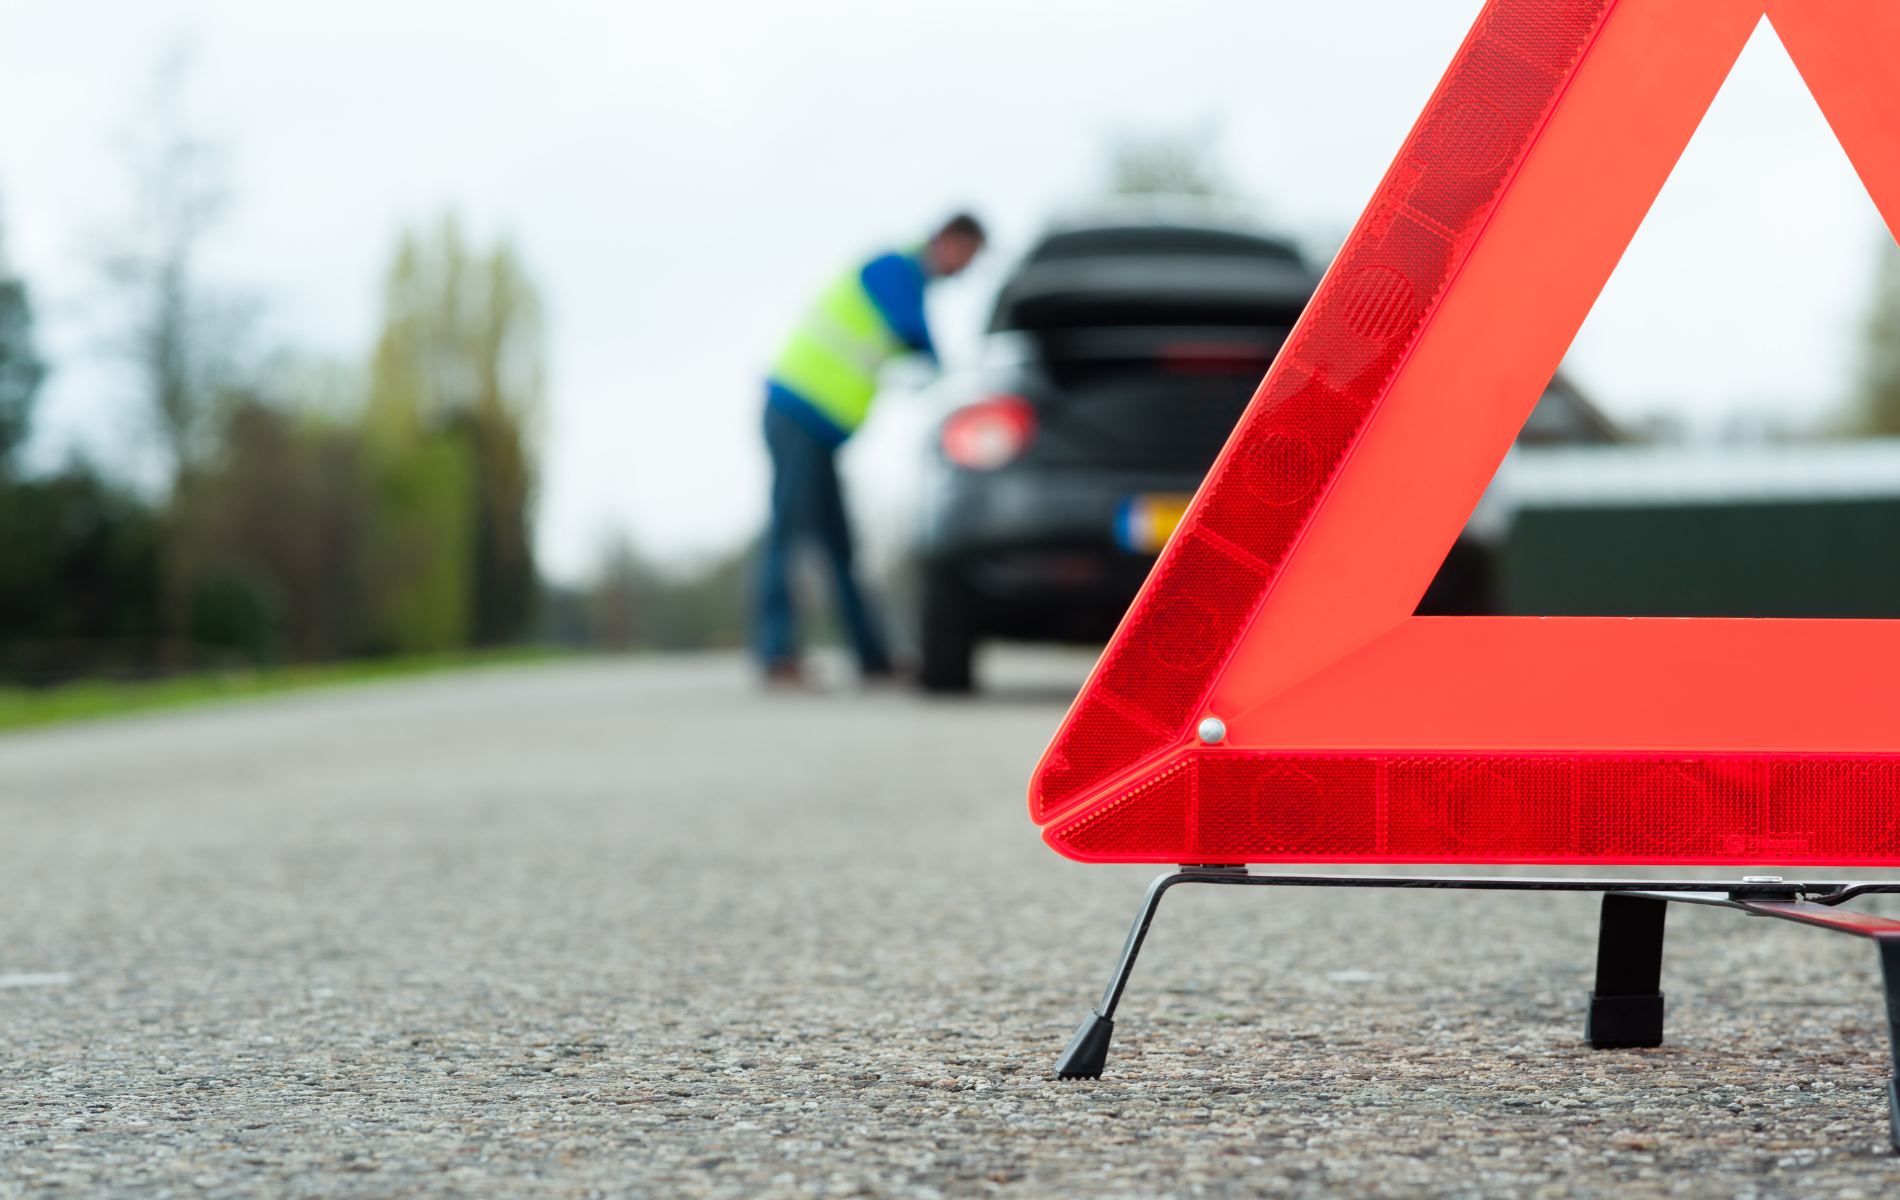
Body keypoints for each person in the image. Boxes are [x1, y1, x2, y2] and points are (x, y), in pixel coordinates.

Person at [757, 213, 986, 685]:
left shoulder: (903, 278)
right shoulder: (893, 268)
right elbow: (914, 332)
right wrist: (957, 381)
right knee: (790, 531)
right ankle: (774, 652)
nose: (964, 270)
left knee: (839, 544)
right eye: (968, 256)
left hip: (818, 428)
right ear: (948, 240)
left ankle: (871, 655)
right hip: (796, 411)